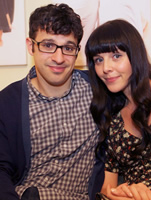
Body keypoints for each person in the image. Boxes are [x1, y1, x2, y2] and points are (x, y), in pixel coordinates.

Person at [0, 4, 104, 200]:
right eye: (48, 45)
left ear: (77, 51)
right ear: (31, 46)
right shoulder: (7, 104)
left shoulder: (98, 89)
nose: (59, 58)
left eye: (68, 48)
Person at [85, 19, 151, 200]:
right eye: (98, 60)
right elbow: (108, 185)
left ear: (135, 56)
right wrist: (119, 194)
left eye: (116, 56)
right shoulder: (114, 117)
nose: (105, 68)